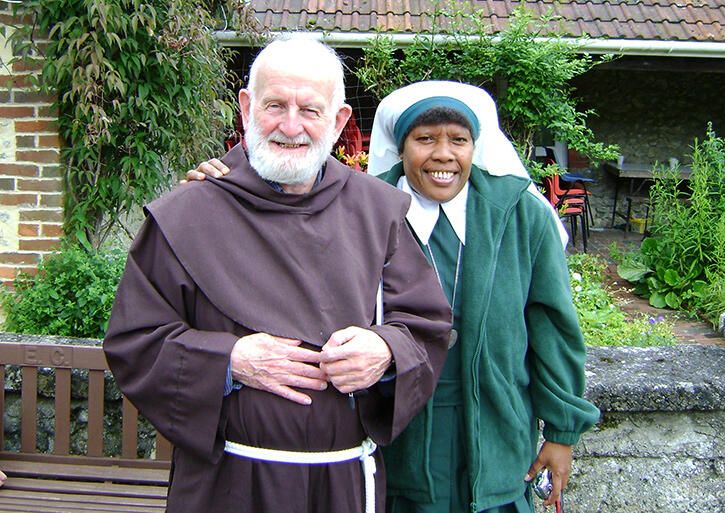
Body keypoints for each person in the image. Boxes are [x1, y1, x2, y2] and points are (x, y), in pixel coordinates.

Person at [187, 81, 599, 512]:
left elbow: (552, 326)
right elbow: (282, 216)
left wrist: (561, 430)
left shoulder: (520, 216)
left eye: (458, 140)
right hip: (396, 430)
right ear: (400, 148)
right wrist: (222, 189)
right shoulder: (357, 207)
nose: (443, 154)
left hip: (496, 426)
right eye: (425, 139)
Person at [103, 39, 453, 513]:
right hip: (229, 484)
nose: (291, 126)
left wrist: (386, 350)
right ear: (246, 108)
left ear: (339, 121)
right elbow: (135, 341)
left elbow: (425, 325)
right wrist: (229, 360)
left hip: (343, 483)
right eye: (275, 105)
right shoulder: (188, 213)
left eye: (310, 109)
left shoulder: (379, 210)